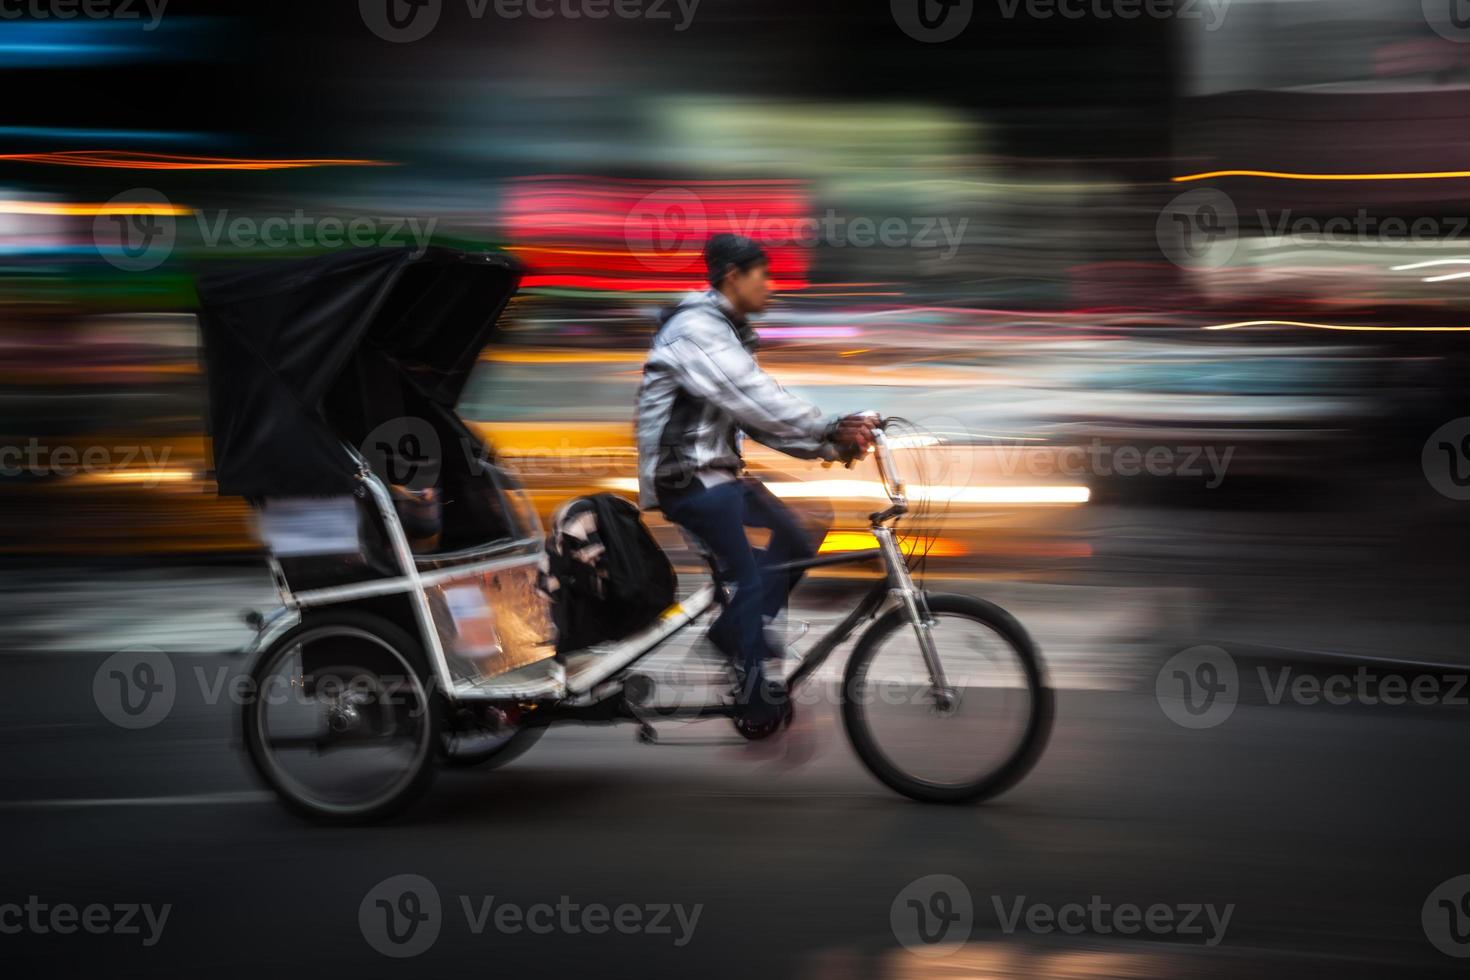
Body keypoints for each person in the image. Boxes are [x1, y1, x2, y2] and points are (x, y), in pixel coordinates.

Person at [635, 233, 876, 727]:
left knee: (800, 529)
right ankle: (753, 689)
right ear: (732, 277)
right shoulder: (695, 330)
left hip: (717, 475)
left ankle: (736, 631)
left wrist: (831, 445)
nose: (771, 285)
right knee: (745, 574)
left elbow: (758, 421)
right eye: (762, 274)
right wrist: (827, 425)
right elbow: (751, 396)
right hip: (684, 479)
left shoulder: (726, 332)